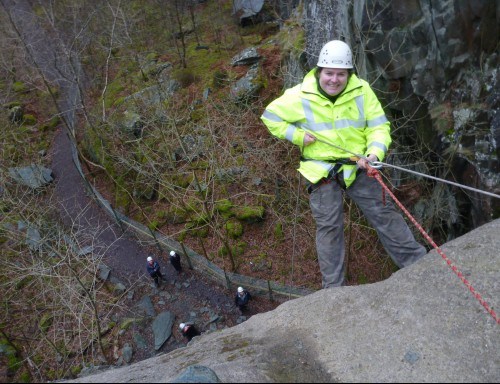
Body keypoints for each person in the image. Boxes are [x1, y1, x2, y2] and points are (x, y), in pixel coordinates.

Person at [260, 40, 427, 289]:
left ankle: (419, 267)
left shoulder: (362, 91)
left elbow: (379, 126)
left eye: (340, 74)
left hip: (359, 165)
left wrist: (374, 152)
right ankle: (333, 291)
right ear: (319, 72)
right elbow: (270, 116)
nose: (334, 80)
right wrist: (296, 136)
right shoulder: (300, 95)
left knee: (385, 214)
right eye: (329, 73)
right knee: (329, 228)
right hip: (321, 170)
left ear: (349, 74)